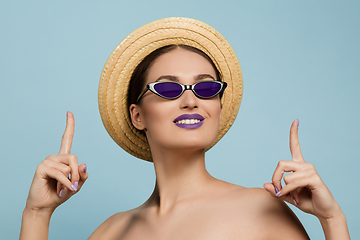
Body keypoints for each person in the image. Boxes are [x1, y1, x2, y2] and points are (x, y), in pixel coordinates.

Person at [20, 17, 350, 240]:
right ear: (138, 116)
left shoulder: (260, 211)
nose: (190, 100)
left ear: (217, 108)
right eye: (168, 89)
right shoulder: (111, 232)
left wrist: (332, 221)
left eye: (206, 89)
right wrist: (37, 213)